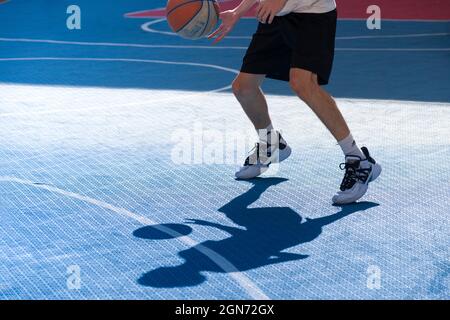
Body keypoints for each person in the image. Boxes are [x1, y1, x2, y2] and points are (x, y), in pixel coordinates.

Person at [208, 0, 381, 204]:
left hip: (313, 14)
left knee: (303, 84)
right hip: (278, 14)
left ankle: (358, 159)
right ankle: (272, 143)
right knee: (243, 87)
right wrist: (238, 12)